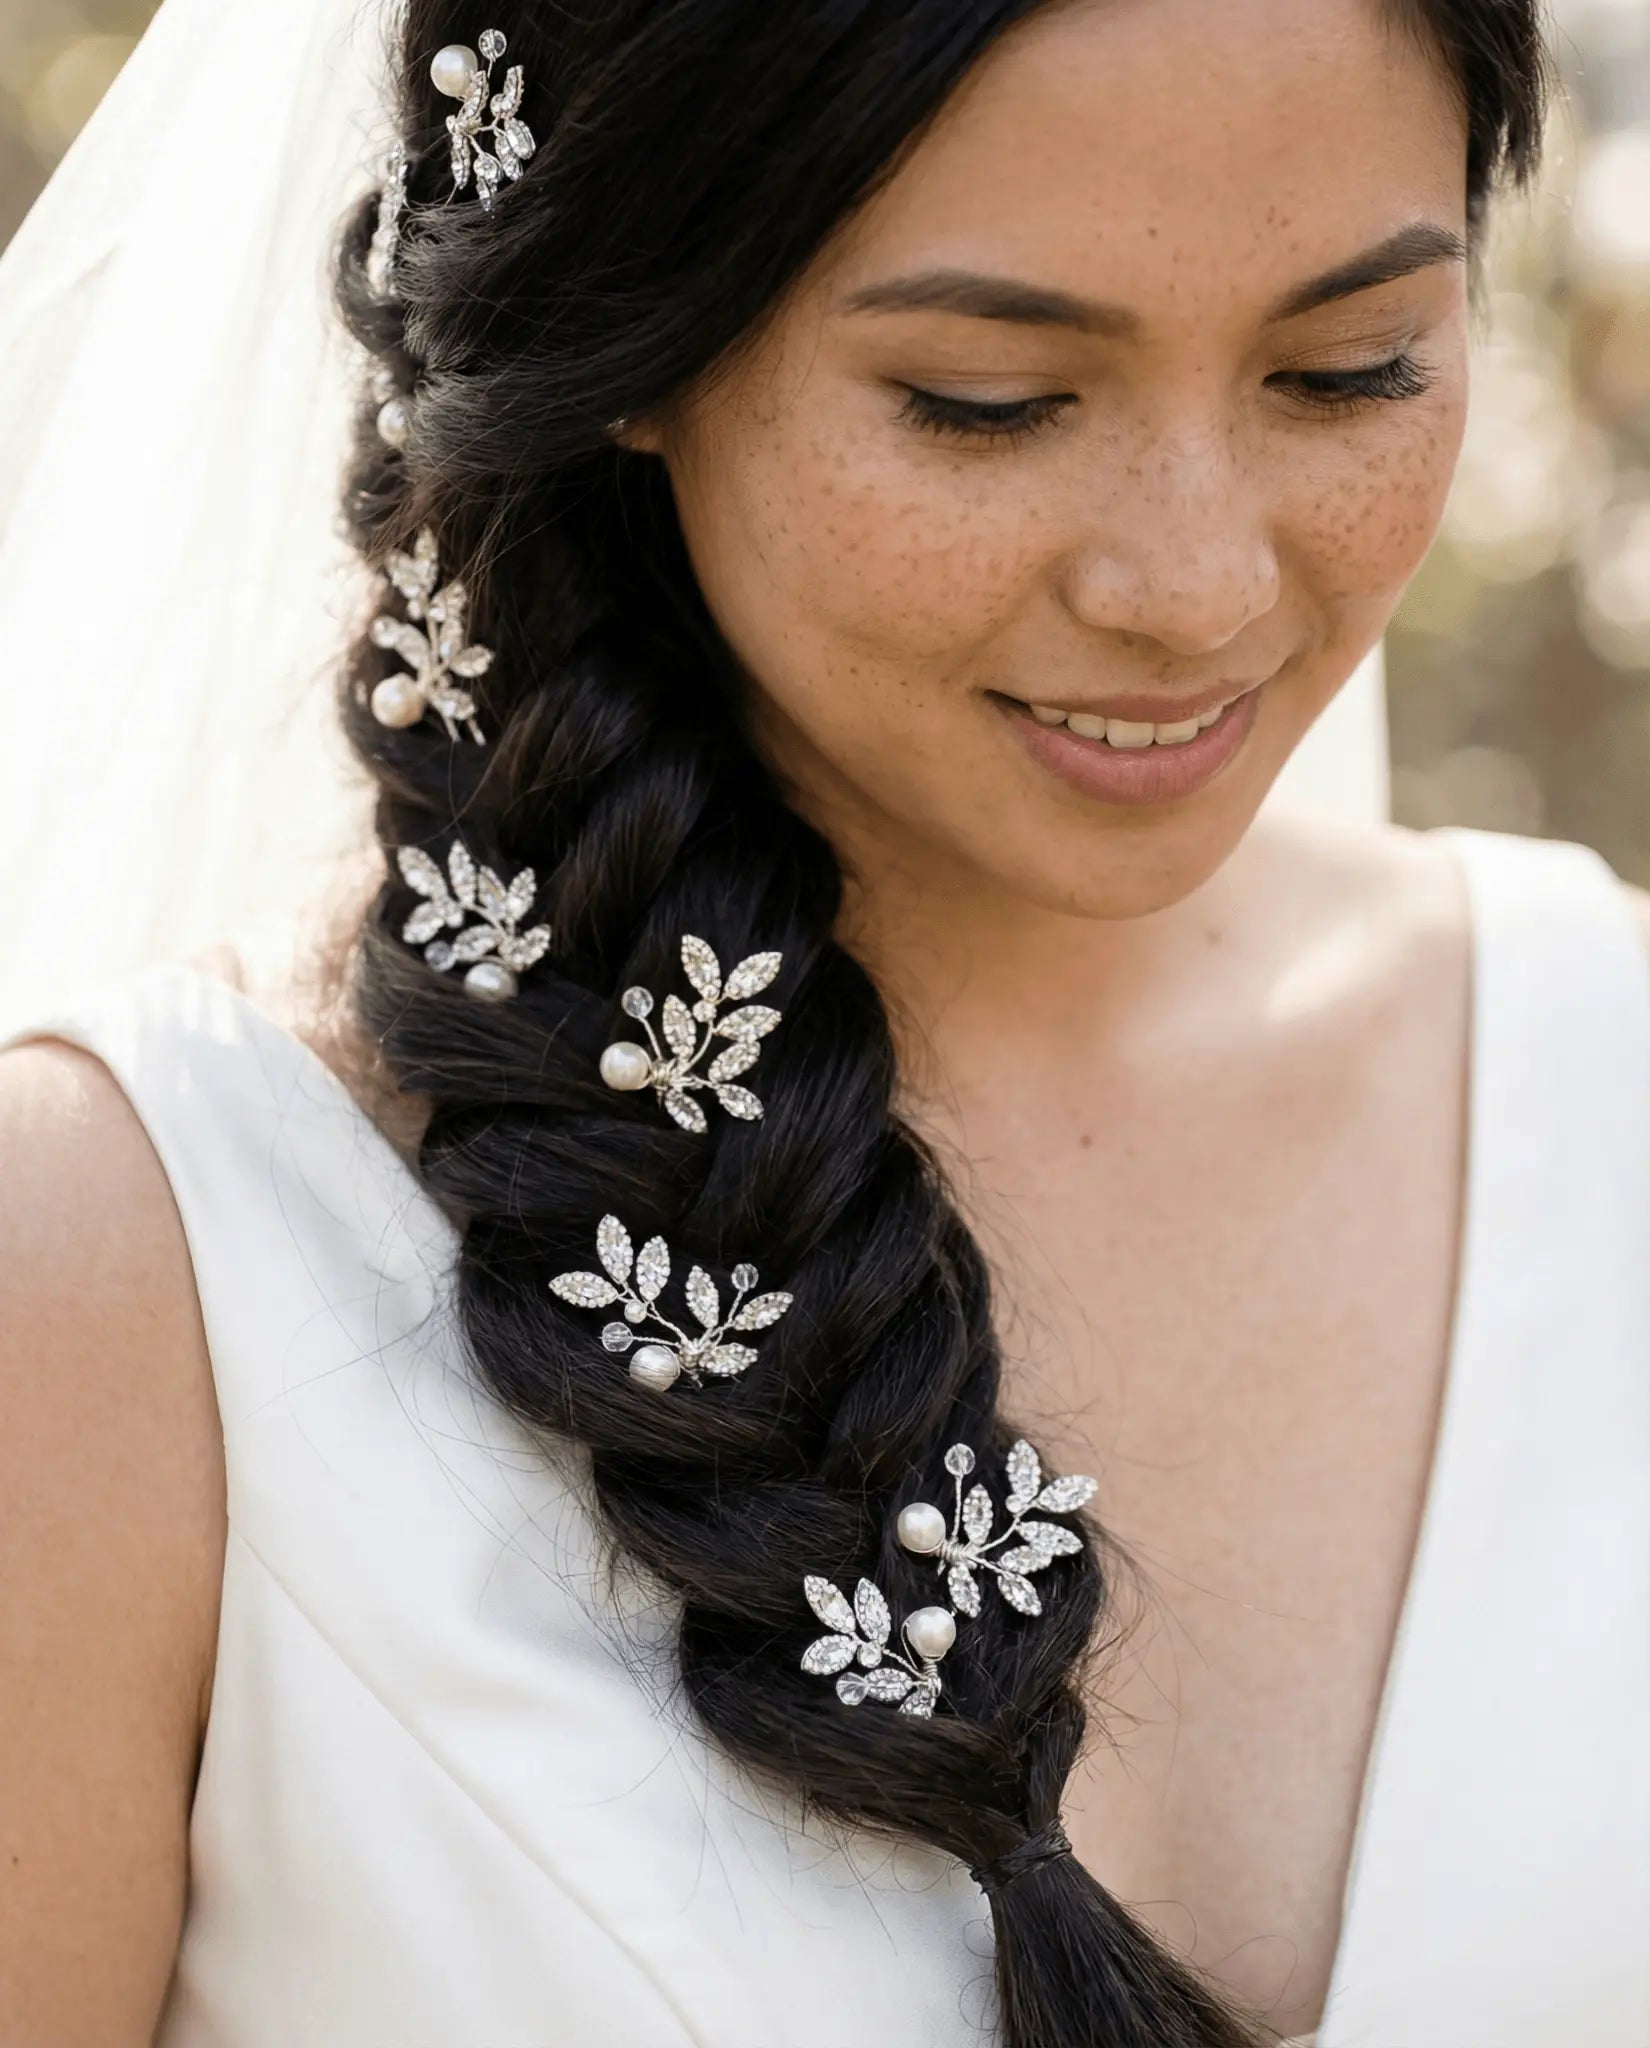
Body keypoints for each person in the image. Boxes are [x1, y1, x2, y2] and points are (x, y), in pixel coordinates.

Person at [2, 1, 1646, 2044]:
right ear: (632, 339)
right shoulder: (127, 1287)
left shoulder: (1608, 1089)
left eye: (1348, 370)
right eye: (987, 400)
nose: (1198, 583)